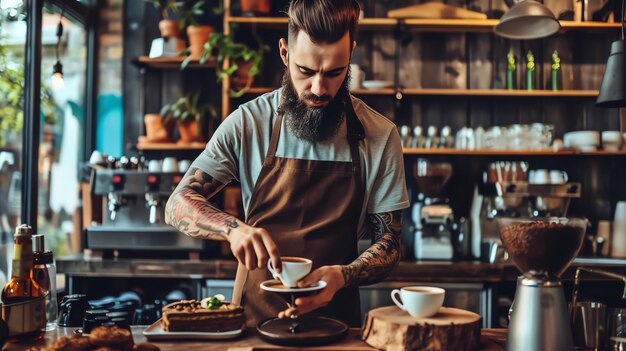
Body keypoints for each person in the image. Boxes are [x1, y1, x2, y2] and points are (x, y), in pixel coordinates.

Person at [164, 0, 409, 327]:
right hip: (252, 324)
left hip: (336, 323)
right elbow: (177, 203)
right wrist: (232, 229)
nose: (319, 88)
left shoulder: (379, 135)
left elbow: (390, 244)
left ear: (350, 54)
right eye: (305, 71)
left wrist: (343, 275)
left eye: (334, 73)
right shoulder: (248, 123)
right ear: (284, 53)